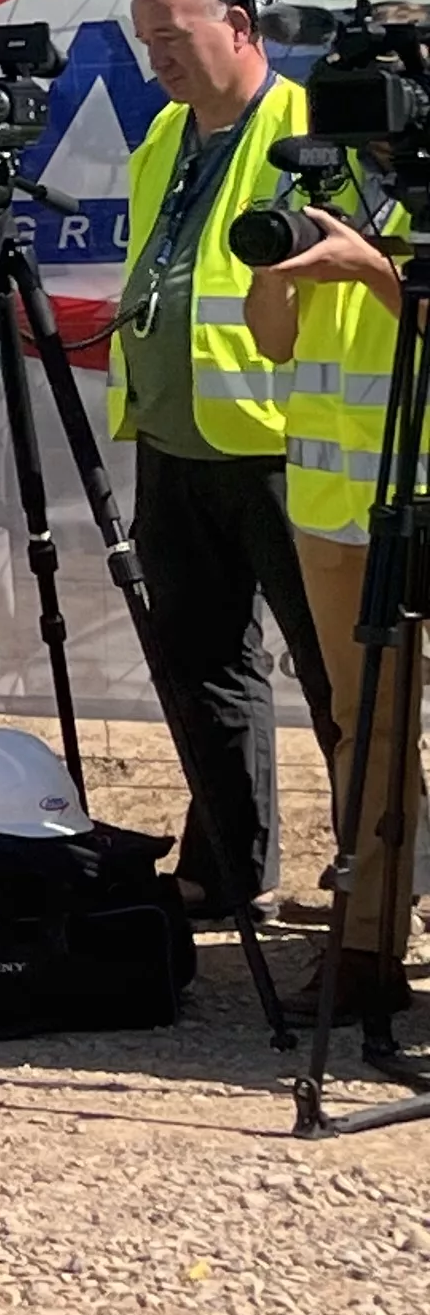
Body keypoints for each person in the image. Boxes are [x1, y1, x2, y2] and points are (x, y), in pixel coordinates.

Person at [112, 0, 328, 924]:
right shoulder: (162, 133)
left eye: (174, 34)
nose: (159, 56)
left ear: (238, 26)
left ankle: (374, 886)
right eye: (145, 38)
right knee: (203, 668)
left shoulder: (304, 126)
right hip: (174, 438)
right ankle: (228, 869)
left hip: (283, 446)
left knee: (336, 679)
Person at [249, 159, 420, 1027]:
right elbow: (272, 341)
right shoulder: (330, 191)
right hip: (333, 510)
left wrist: (372, 271)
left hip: (420, 499)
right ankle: (364, 949)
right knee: (366, 733)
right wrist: (271, 264)